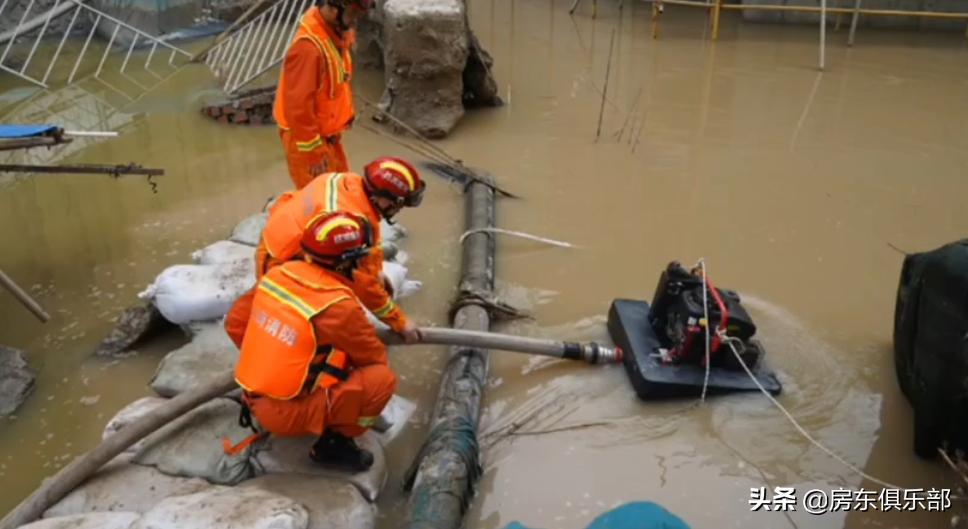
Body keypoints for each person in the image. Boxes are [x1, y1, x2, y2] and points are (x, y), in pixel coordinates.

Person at [234, 212, 394, 471]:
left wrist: (272, 357)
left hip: (252, 393)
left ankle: (293, 401)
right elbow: (373, 358)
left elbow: (236, 323)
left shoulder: (279, 274)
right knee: (381, 381)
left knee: (333, 354)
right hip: (283, 416)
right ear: (345, 264)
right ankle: (334, 443)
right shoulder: (338, 305)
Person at [224, 156, 426, 347]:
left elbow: (289, 199)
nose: (399, 209)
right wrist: (400, 322)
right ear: (383, 199)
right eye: (399, 204)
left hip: (279, 241)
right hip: (282, 261)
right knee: (299, 320)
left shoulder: (342, 180)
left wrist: (376, 270)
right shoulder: (347, 223)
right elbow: (364, 284)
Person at [274, 0, 370, 189]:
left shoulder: (334, 35)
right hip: (307, 141)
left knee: (341, 191)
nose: (355, 21)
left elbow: (335, 87)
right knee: (321, 200)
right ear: (335, 8)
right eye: (353, 14)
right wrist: (313, 154)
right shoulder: (307, 50)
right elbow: (298, 108)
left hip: (328, 137)